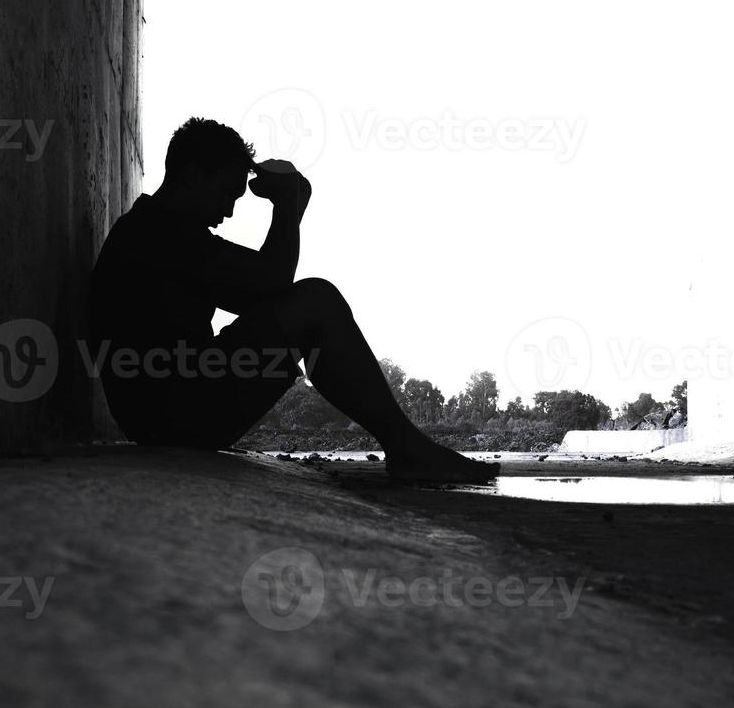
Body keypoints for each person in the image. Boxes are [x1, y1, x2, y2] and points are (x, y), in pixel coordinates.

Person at [89, 117, 497, 483]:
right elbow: (273, 285)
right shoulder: (158, 235)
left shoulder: (160, 233)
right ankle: (408, 447)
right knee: (317, 300)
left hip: (173, 409)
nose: (228, 211)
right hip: (176, 414)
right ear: (194, 175)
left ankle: (406, 444)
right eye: (226, 194)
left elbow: (261, 292)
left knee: (313, 304)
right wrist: (287, 207)